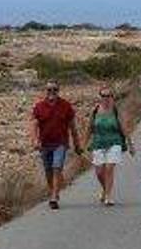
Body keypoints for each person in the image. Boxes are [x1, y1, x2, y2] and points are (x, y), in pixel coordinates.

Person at [30, 80, 82, 210]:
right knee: (48, 170)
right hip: (45, 143)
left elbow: (73, 127)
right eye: (49, 90)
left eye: (55, 90)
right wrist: (34, 140)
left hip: (61, 143)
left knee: (56, 167)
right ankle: (53, 190)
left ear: (58, 91)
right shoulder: (39, 106)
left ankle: (53, 196)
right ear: (45, 91)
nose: (52, 92)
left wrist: (77, 143)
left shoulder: (66, 106)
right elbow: (34, 125)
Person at [84, 87, 133, 206]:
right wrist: (84, 144)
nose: (106, 98)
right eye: (103, 96)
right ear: (100, 97)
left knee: (109, 168)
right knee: (99, 171)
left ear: (112, 97)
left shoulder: (116, 110)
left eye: (109, 96)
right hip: (98, 142)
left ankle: (109, 196)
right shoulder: (95, 110)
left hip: (114, 141)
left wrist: (130, 144)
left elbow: (123, 127)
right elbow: (89, 128)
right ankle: (105, 189)